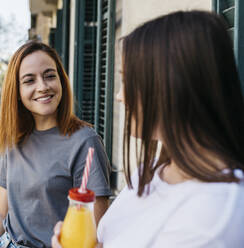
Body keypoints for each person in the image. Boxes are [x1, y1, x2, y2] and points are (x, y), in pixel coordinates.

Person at [52, 10, 244, 248]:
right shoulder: (153, 170)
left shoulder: (211, 217)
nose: (120, 96)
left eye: (129, 81)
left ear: (172, 87)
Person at [0, 41, 111, 248]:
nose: (43, 87)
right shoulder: (14, 139)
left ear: (61, 80)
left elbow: (96, 231)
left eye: (50, 75)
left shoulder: (85, 142)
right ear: (16, 91)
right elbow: (0, 212)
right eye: (29, 80)